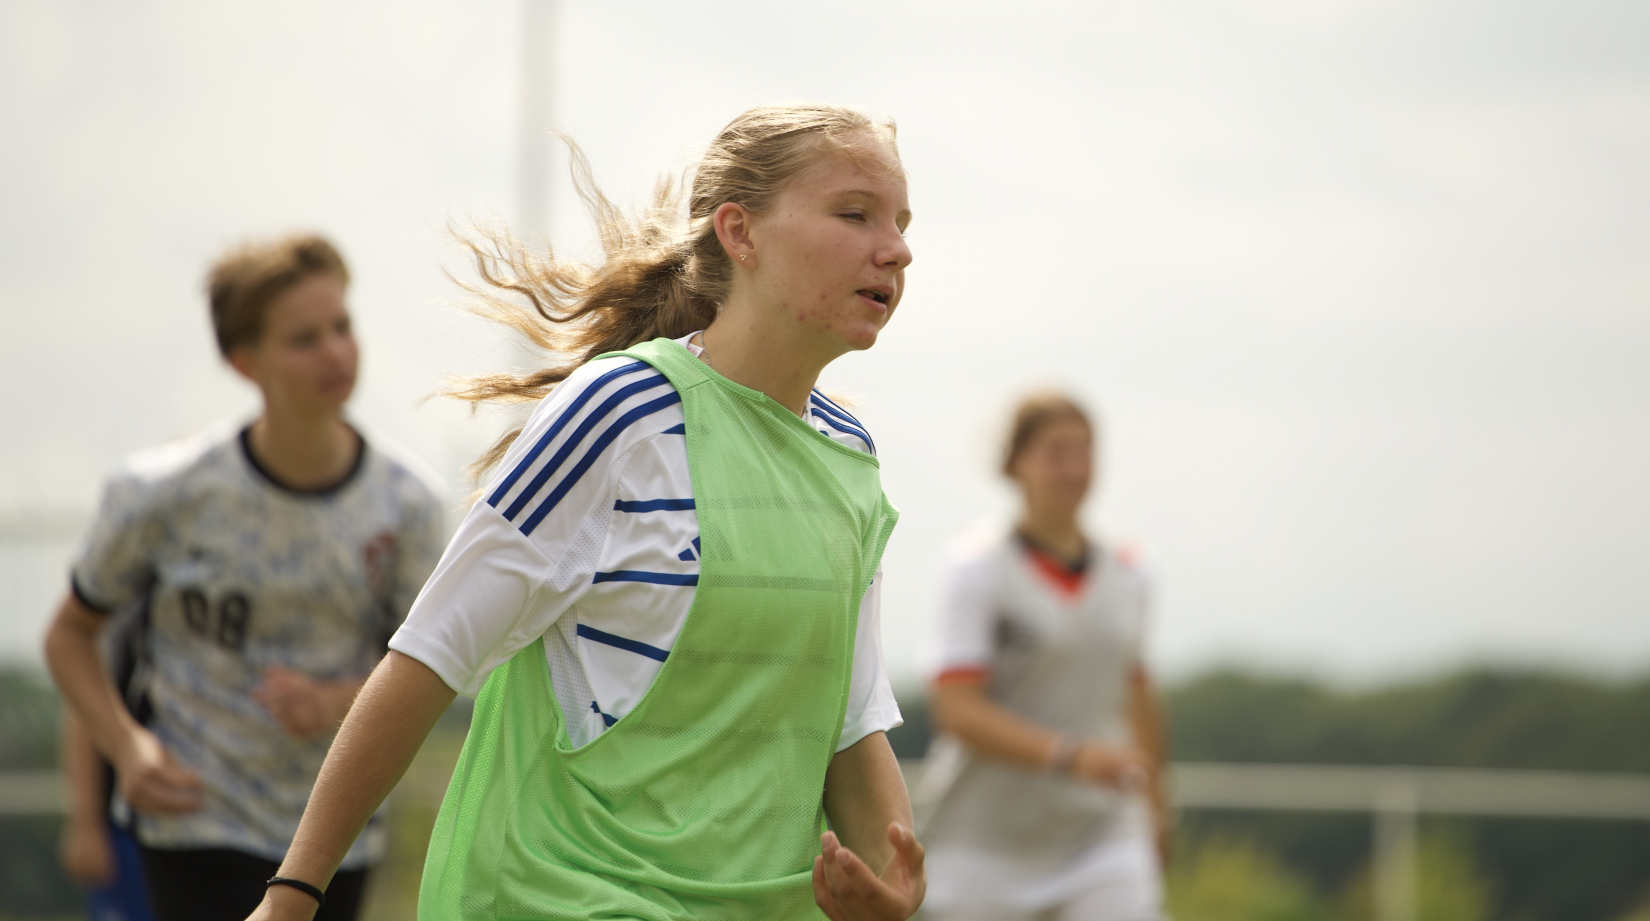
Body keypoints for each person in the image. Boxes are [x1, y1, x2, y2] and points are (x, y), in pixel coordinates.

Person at [237, 104, 926, 921]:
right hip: (568, 898)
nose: (896, 248)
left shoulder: (849, 456)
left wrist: (894, 883)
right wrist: (294, 893)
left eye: (901, 223)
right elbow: (428, 656)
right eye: (855, 214)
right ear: (740, 233)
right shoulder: (619, 412)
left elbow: (849, 720)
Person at [43, 235, 446, 921]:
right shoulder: (162, 492)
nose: (335, 352)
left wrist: (336, 701)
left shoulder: (408, 505)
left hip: (334, 832)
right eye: (304, 339)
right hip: (193, 819)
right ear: (243, 361)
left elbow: (430, 672)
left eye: (342, 326)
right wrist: (128, 748)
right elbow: (69, 637)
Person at [916, 392, 1167, 921]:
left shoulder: (1131, 570)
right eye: (1056, 452)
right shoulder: (975, 566)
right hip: (980, 842)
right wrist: (1072, 756)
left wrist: (1158, 811)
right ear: (1014, 463)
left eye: (1084, 451)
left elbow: (1136, 693)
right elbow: (957, 709)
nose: (1074, 468)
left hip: (1101, 835)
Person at [58, 599, 156, 921]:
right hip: (127, 828)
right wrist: (86, 822)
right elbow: (84, 711)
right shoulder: (128, 596)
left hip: (237, 827)